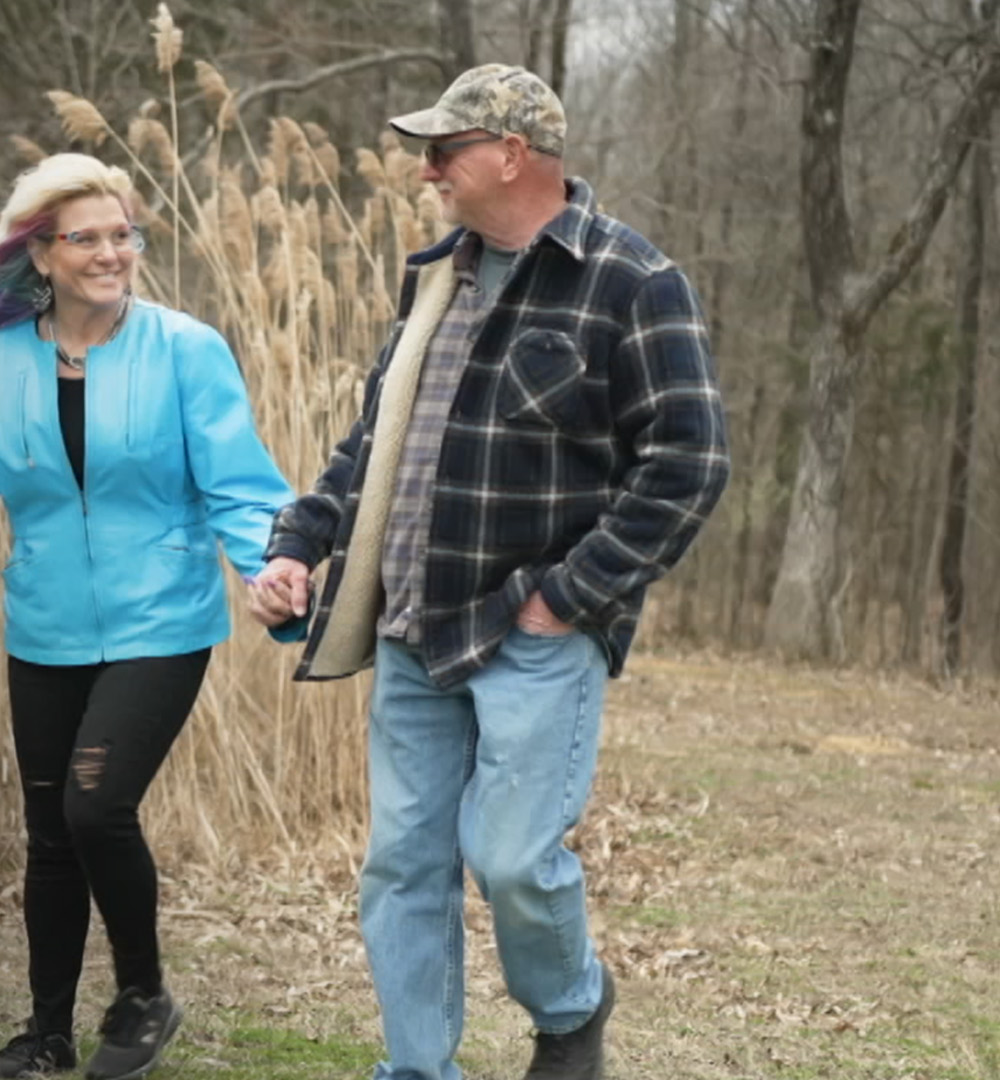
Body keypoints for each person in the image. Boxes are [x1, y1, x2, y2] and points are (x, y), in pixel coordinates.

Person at [246, 65, 730, 1080]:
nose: (425, 169)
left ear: (512, 154)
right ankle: (417, 1069)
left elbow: (689, 463)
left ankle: (571, 1007)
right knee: (403, 865)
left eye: (444, 151)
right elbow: (375, 444)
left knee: (511, 862)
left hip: (532, 632)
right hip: (411, 623)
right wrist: (300, 542)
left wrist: (569, 597)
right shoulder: (439, 277)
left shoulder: (632, 281)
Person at [0, 152, 294, 1080]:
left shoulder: (185, 349)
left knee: (94, 805)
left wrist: (272, 575)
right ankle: (46, 1032)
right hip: (44, 628)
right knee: (49, 833)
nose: (112, 253)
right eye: (88, 238)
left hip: (161, 622)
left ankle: (143, 994)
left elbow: (242, 487)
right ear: (41, 253)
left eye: (124, 234)